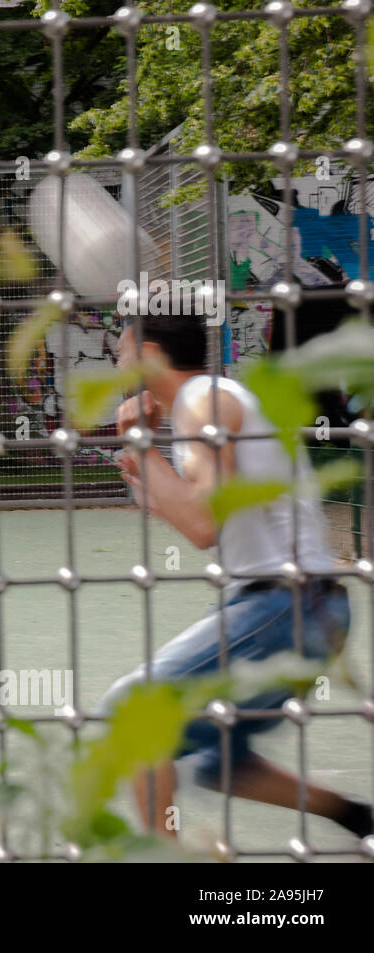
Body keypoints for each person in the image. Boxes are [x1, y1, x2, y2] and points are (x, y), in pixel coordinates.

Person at [102, 313, 372, 841]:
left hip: (285, 606)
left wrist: (141, 448)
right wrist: (146, 470)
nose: (116, 364)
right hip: (307, 610)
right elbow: (200, 521)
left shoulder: (206, 403)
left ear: (151, 354)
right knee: (221, 765)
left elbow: (203, 526)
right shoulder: (201, 408)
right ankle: (360, 819)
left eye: (123, 351)